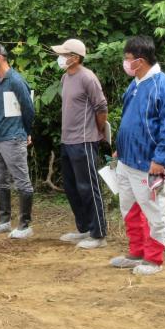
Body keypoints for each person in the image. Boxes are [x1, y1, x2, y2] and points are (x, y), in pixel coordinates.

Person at [111, 36, 165, 276]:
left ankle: (154, 258)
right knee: (129, 208)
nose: (125, 62)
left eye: (127, 59)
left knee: (153, 210)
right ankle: (137, 251)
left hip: (149, 163)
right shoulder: (136, 83)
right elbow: (131, 119)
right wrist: (120, 147)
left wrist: (161, 159)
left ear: (139, 61)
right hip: (127, 159)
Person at [51, 39, 109, 249]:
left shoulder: (88, 77)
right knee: (72, 187)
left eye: (64, 55)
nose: (60, 58)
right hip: (68, 140)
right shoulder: (66, 77)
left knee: (88, 187)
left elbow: (101, 107)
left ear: (75, 57)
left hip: (84, 141)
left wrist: (99, 131)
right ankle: (83, 228)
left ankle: (98, 233)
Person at [0, 42, 36, 239]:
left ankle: (25, 225)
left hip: (14, 137)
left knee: (22, 181)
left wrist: (26, 131)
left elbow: (28, 108)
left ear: (0, 56)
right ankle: (4, 221)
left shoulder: (16, 81)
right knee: (0, 181)